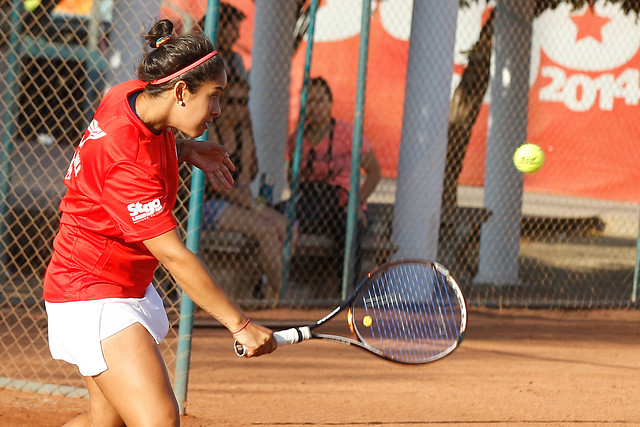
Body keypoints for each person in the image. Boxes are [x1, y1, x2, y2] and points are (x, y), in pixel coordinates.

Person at [42, 19, 276, 426]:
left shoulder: (128, 96)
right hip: (92, 294)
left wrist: (183, 148)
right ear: (182, 91)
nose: (219, 110)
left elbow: (142, 139)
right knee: (158, 419)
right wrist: (240, 324)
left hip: (110, 283)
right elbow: (174, 256)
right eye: (214, 96)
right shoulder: (128, 162)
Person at [286, 76, 381, 291]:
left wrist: (357, 202)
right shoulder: (297, 139)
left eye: (320, 101)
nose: (315, 107)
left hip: (342, 204)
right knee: (281, 216)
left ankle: (346, 290)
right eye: (309, 101)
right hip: (313, 205)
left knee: (345, 226)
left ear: (330, 103)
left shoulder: (347, 133)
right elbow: (293, 178)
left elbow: (375, 172)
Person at [203, 74, 292, 301]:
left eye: (243, 102)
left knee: (285, 226)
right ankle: (281, 297)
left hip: (235, 202)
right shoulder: (210, 132)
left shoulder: (243, 135)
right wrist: (253, 205)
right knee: (266, 229)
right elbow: (220, 186)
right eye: (232, 101)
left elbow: (240, 183)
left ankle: (271, 292)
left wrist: (253, 206)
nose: (238, 108)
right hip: (208, 205)